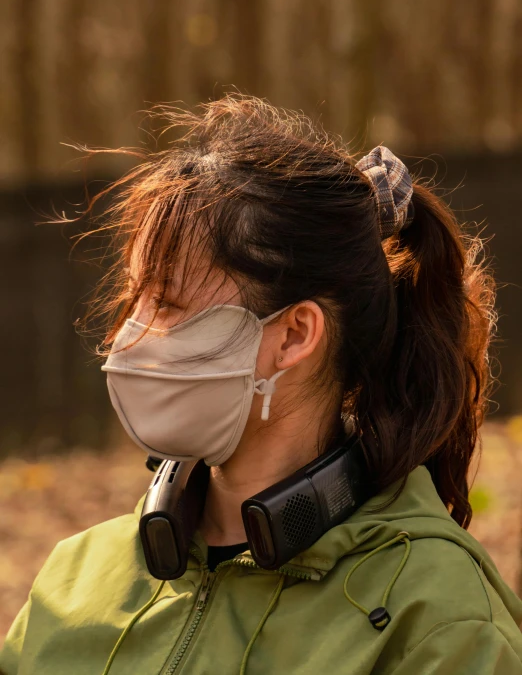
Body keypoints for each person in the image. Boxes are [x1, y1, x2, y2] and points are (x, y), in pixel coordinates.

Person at [1, 95, 521, 675]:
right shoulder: (73, 580)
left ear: (295, 335)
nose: (130, 337)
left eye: (169, 304)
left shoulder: (433, 620)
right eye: (136, 298)